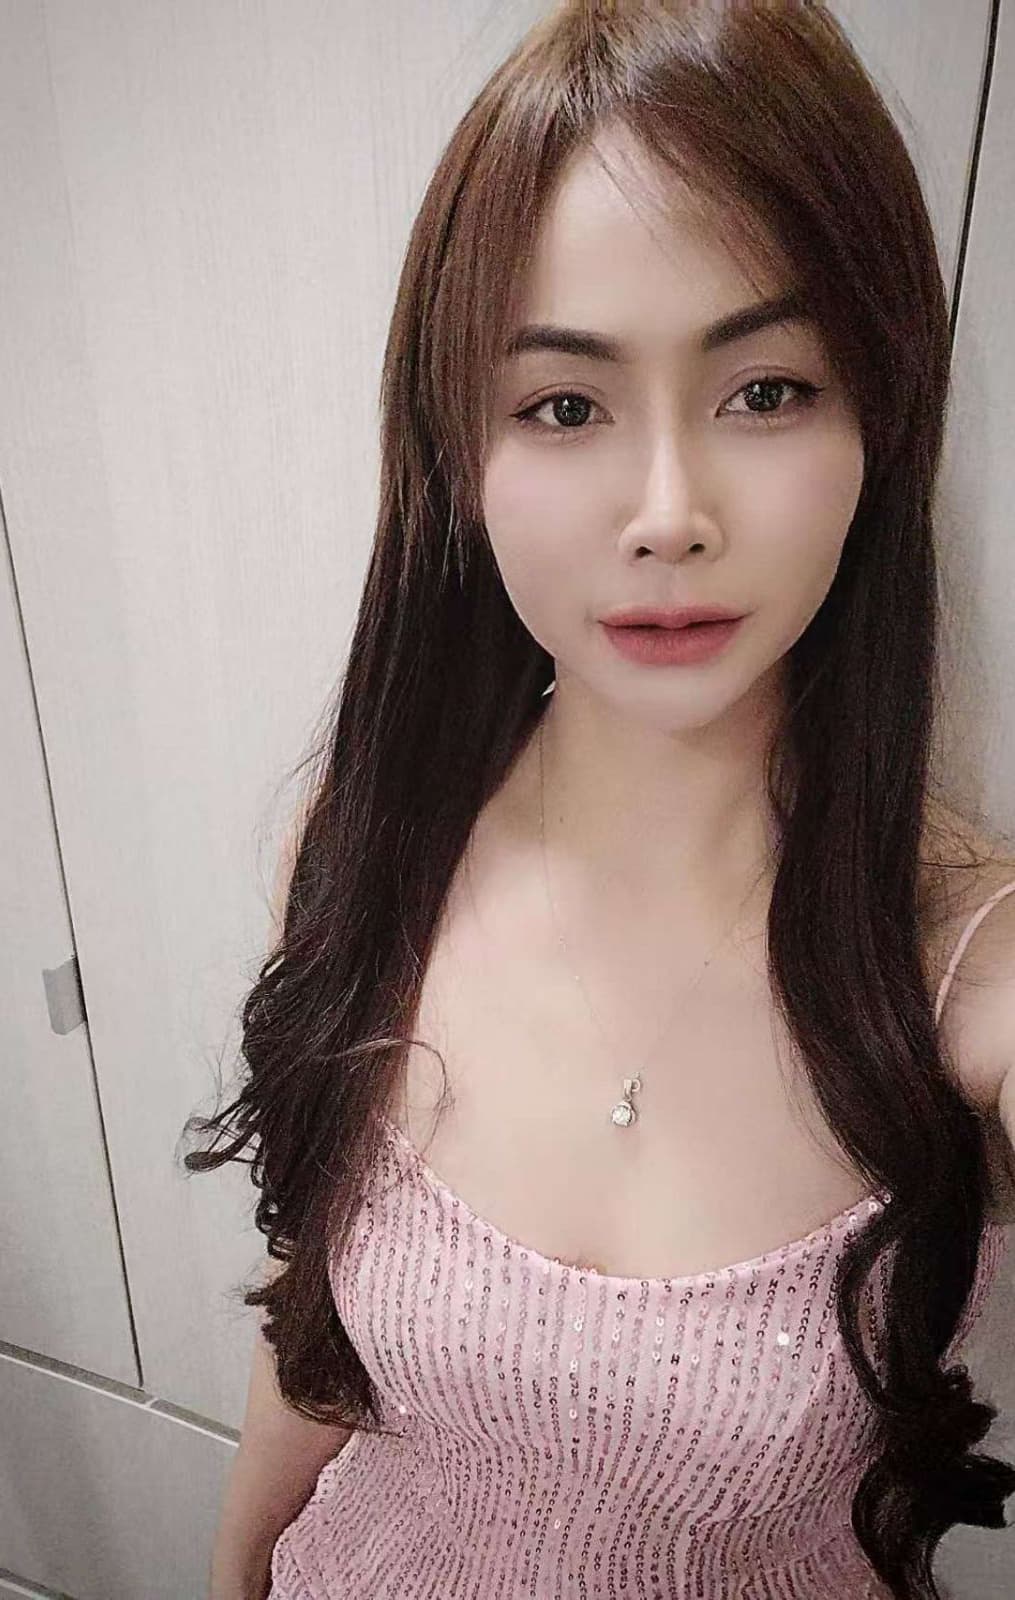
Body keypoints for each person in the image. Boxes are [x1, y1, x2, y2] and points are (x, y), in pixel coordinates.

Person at [191, 3, 1015, 1596]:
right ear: (461, 457)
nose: (668, 513)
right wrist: (233, 1570)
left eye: (767, 390)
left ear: (883, 419)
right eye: (566, 406)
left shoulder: (965, 975)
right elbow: (317, 1332)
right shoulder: (365, 855)